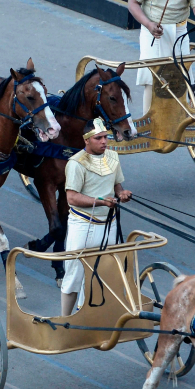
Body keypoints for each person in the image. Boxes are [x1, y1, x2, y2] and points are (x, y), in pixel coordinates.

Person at [60, 118, 133, 316]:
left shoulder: (113, 157)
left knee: (103, 274)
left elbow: (116, 185)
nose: (104, 142)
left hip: (109, 223)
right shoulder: (76, 163)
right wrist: (101, 202)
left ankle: (89, 316)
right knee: (74, 274)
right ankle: (65, 320)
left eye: (106, 137)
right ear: (87, 140)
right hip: (83, 225)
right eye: (98, 138)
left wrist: (122, 193)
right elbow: (72, 197)